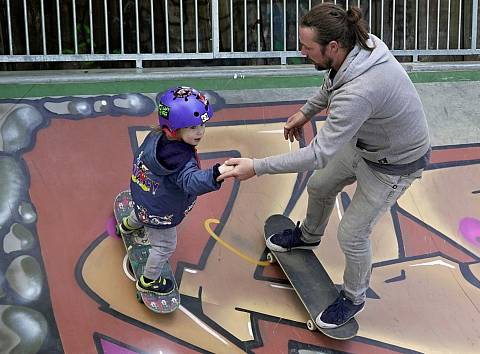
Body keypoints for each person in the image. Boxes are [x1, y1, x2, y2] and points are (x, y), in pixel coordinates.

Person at [218, 3, 431, 328]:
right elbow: (333, 83)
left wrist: (256, 166)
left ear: (332, 46)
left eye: (307, 47)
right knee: (320, 185)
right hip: (365, 144)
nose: (302, 52)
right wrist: (306, 111)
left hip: (394, 166)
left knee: (352, 234)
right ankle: (309, 236)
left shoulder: (361, 90)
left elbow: (317, 154)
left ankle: (353, 297)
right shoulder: (355, 50)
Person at [117, 86, 225, 295]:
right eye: (193, 127)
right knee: (164, 247)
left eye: (202, 124)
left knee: (142, 211)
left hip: (142, 194)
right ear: (174, 129)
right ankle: (148, 281)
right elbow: (191, 182)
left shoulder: (156, 137)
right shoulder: (180, 161)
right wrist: (216, 174)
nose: (200, 131)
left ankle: (127, 226)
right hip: (161, 212)